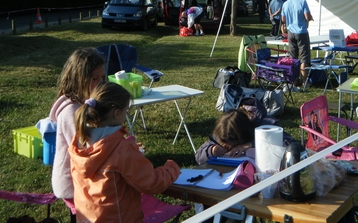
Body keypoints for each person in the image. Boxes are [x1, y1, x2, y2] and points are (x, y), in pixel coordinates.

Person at [69, 81, 180, 223]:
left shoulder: (78, 144)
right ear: (116, 113)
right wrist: (171, 169)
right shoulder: (123, 150)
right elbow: (151, 182)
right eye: (126, 111)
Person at [49, 47, 106, 219]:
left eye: (102, 78)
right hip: (71, 183)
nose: (100, 83)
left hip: (81, 178)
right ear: (80, 79)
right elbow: (85, 147)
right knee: (83, 217)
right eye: (95, 79)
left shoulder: (86, 102)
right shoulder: (70, 111)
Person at [195, 108, 295, 165]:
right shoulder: (223, 132)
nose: (231, 149)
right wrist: (211, 150)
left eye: (236, 145)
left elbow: (292, 145)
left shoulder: (264, 125)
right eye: (227, 146)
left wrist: (252, 144)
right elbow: (198, 156)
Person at [281, 0, 313, 91]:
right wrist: (310, 18)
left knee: (293, 57)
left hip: (290, 32)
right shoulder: (302, 2)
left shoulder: (286, 3)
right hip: (301, 32)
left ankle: (293, 81)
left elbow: (283, 19)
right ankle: (304, 82)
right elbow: (307, 16)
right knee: (304, 57)